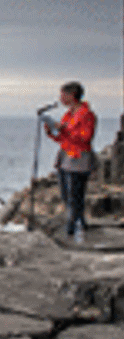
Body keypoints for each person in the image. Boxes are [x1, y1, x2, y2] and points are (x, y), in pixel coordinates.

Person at [42, 81, 97, 242]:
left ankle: (72, 228)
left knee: (75, 194)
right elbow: (63, 138)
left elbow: (85, 138)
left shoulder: (87, 114)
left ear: (71, 95)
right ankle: (80, 222)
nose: (60, 98)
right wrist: (51, 132)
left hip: (79, 158)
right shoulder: (68, 115)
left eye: (62, 95)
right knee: (66, 194)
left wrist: (63, 130)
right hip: (66, 156)